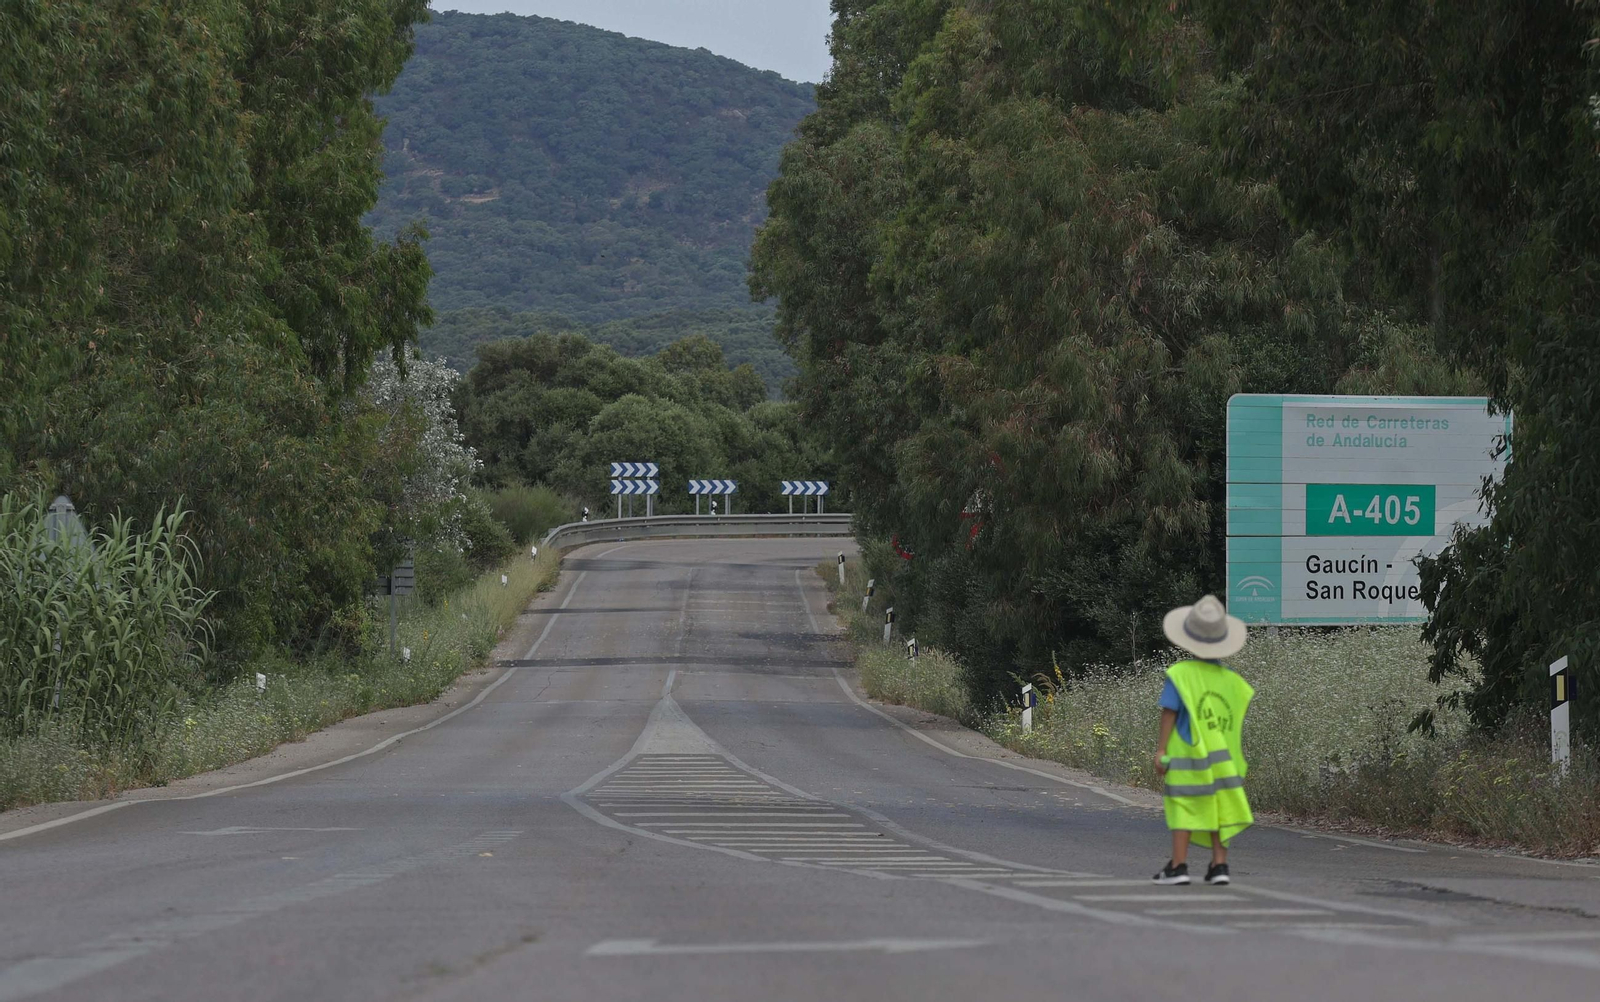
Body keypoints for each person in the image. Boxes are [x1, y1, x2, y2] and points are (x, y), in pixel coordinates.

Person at [1151, 594, 1254, 887]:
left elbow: (1169, 714)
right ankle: (1219, 866)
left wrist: (1160, 750)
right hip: (1227, 760)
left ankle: (1178, 866)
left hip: (1188, 759)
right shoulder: (1234, 681)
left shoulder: (1181, 675)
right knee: (1220, 810)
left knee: (1183, 807)